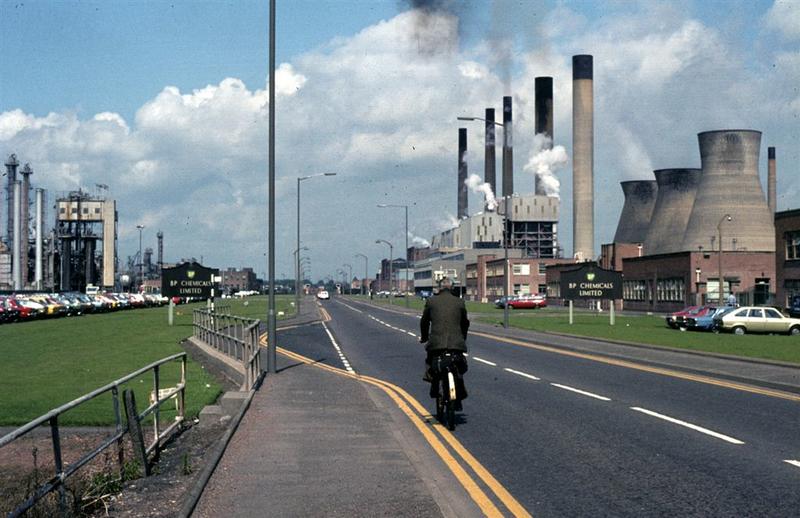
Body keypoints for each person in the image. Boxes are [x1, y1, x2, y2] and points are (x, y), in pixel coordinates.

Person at [419, 277, 469, 404]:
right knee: (459, 365)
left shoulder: (431, 301)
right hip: (456, 344)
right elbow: (465, 323)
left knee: (431, 363)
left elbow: (424, 322)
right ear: (452, 288)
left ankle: (434, 384)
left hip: (436, 344)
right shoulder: (459, 302)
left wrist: (424, 337)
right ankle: (459, 392)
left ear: (439, 288)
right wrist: (463, 337)